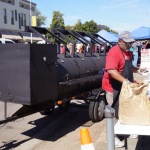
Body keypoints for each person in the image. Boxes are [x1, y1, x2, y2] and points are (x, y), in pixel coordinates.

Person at [102, 31, 140, 148]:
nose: (129, 45)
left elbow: (128, 67)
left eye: (131, 43)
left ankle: (127, 129)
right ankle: (112, 138)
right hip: (112, 87)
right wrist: (126, 81)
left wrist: (138, 69)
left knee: (126, 109)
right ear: (120, 41)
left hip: (124, 86)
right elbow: (112, 71)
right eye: (127, 43)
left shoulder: (128, 52)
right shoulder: (114, 52)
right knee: (113, 112)